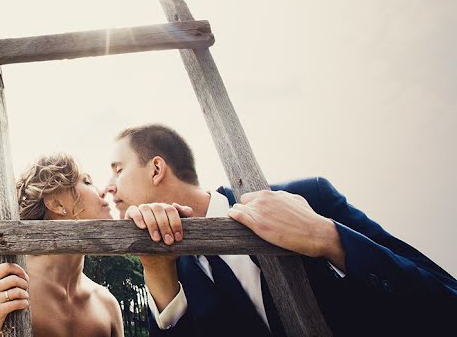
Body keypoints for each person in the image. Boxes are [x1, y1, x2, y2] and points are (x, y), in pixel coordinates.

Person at [104, 123, 457, 335]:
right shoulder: (169, 272)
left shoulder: (310, 198)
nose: (108, 187)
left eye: (118, 169)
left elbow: (444, 302)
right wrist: (157, 272)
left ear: (156, 169)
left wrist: (328, 237)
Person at [0, 153, 123, 337]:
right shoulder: (5, 282)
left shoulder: (108, 305)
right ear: (55, 202)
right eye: (87, 182)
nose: (102, 191)